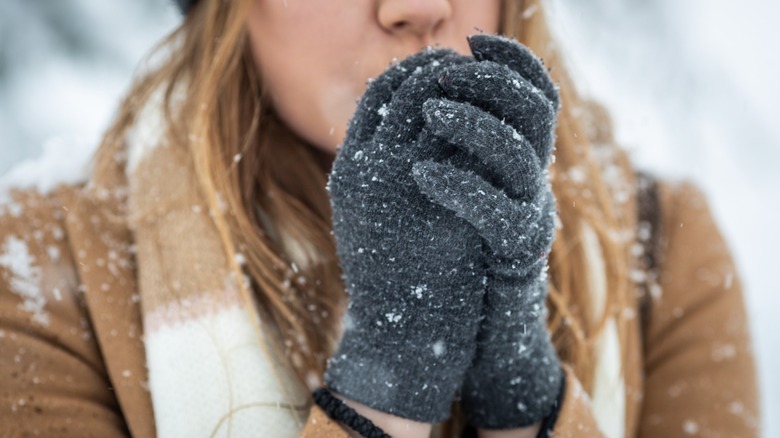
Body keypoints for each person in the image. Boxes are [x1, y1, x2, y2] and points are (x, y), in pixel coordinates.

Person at [0, 0, 760, 437]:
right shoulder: (43, 273)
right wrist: (385, 382)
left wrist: (526, 405)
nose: (417, 5)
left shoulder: (664, 251)